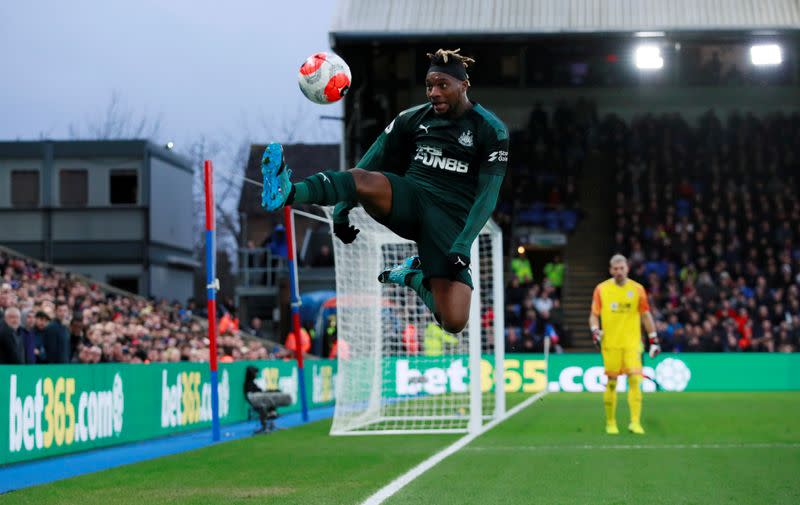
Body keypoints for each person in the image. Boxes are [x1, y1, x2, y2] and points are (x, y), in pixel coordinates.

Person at [260, 48, 508, 334]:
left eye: (443, 85)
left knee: (454, 320)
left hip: (450, 222)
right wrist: (341, 210)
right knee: (366, 179)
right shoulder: (411, 119)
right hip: (411, 197)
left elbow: (488, 193)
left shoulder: (491, 130)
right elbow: (368, 162)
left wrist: (463, 244)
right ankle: (289, 191)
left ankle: (413, 275)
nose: (434, 93)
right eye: (429, 86)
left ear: (463, 85)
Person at [588, 254, 660, 435]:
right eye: (615, 269)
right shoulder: (601, 289)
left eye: (622, 268)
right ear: (611, 270)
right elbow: (594, 314)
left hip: (632, 344)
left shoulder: (637, 289)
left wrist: (653, 339)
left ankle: (635, 422)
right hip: (610, 344)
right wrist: (595, 330)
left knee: (635, 380)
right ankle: (610, 422)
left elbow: (645, 314)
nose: (619, 272)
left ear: (627, 268)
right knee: (612, 383)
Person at [243, 365, 291, 434]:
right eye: (255, 373)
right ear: (251, 374)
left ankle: (272, 417)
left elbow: (260, 391)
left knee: (272, 399)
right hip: (256, 403)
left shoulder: (253, 383)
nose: (256, 374)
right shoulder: (248, 384)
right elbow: (251, 397)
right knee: (264, 405)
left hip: (261, 401)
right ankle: (265, 426)